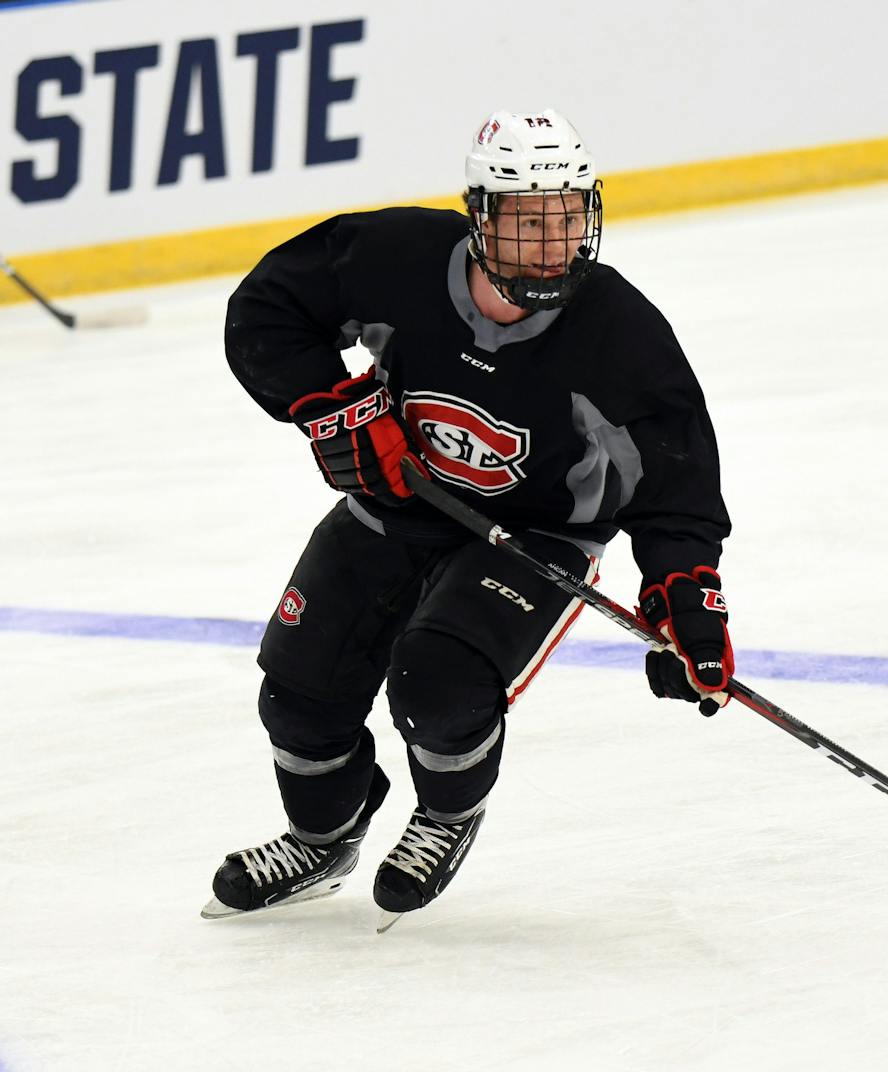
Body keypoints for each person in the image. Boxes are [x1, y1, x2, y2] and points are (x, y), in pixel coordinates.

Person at [203, 109, 734, 931]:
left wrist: (685, 593)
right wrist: (337, 409)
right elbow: (267, 309)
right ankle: (323, 835)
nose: (553, 242)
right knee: (300, 691)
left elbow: (676, 482)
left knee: (439, 683)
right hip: (400, 504)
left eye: (567, 217)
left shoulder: (621, 333)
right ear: (480, 216)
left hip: (537, 533)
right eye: (528, 220)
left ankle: (447, 814)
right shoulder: (397, 259)